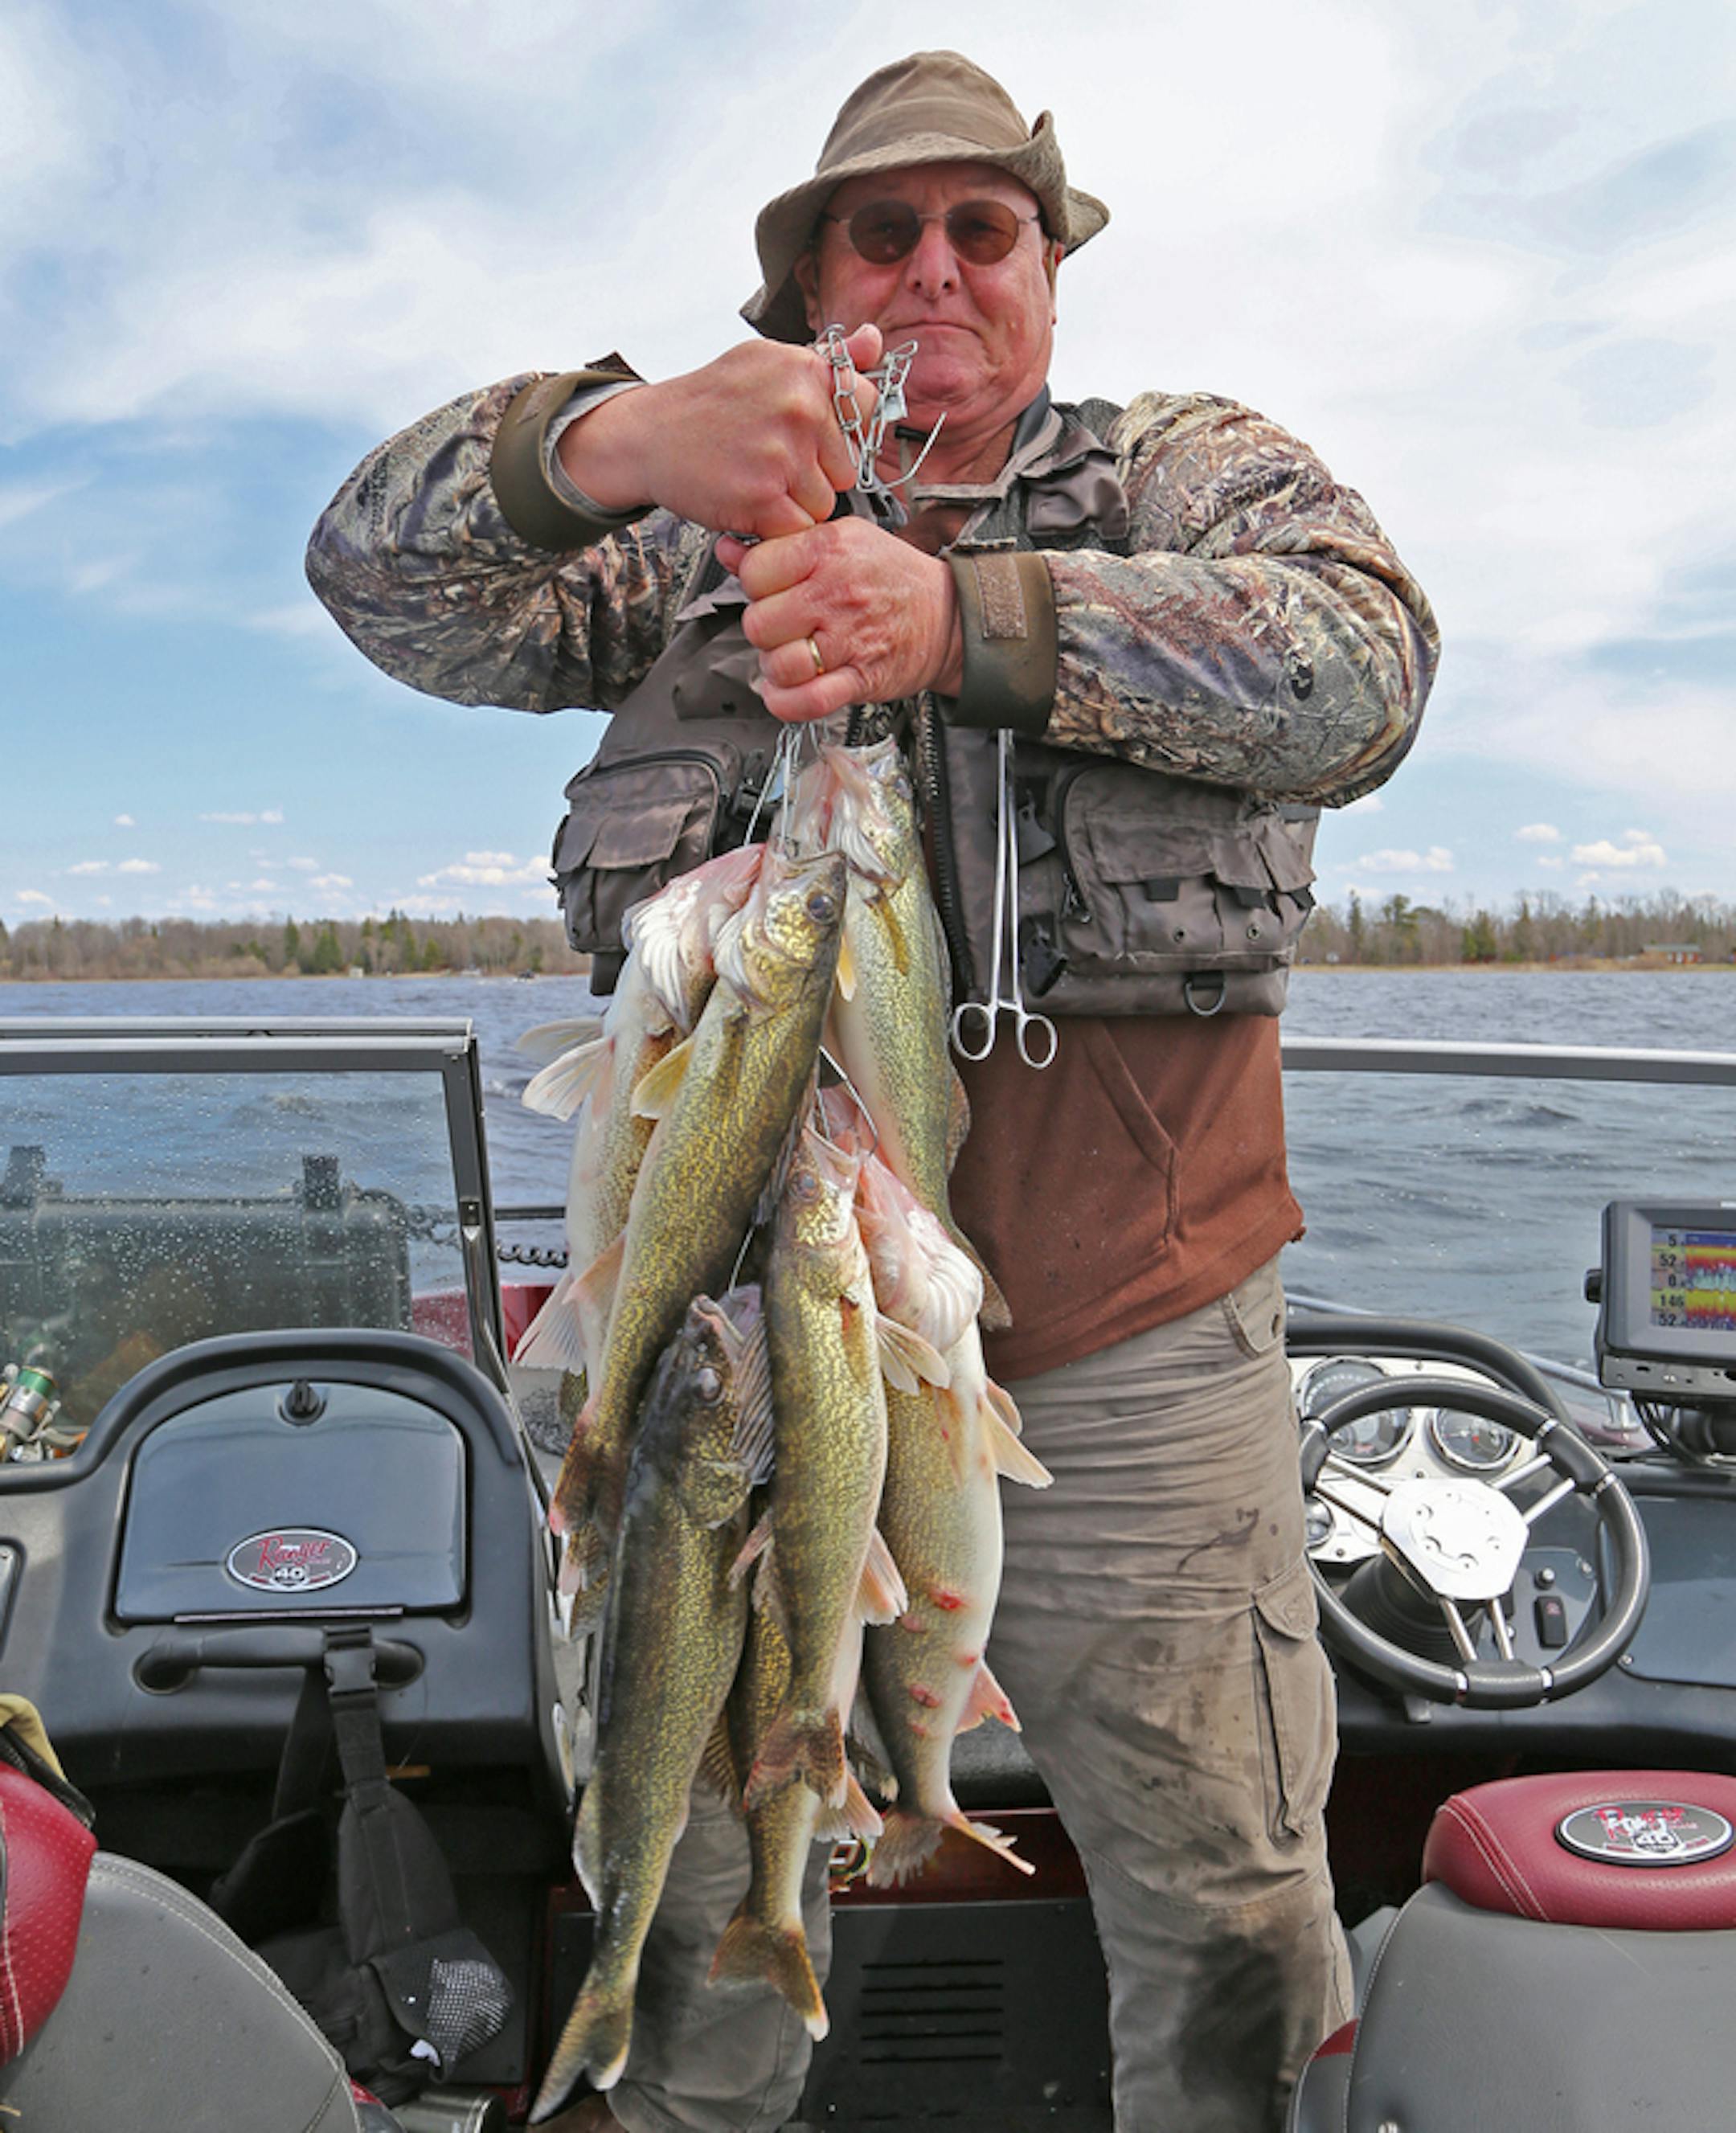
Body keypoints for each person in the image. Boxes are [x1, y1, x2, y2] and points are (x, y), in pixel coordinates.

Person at [307, 50, 1438, 2133]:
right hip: (726, 1357)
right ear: (809, 281)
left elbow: (1363, 663)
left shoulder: (1185, 474)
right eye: (879, 229)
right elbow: (385, 580)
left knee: (1228, 1910)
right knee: (698, 1879)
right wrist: (605, 436)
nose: (933, 266)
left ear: (1045, 273)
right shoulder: (691, 536)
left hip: (1134, 1346)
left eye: (980, 227)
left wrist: (969, 620)